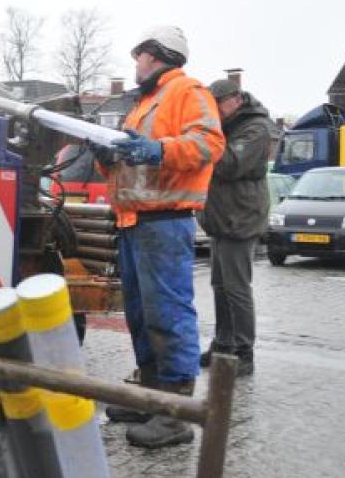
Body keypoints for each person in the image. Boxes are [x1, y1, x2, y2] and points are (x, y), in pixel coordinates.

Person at [96, 25, 225, 448]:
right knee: (140, 314)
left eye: (139, 56)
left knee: (168, 313)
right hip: (135, 220)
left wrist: (160, 149)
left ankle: (174, 414)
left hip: (165, 221)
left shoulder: (188, 91)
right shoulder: (144, 104)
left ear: (157, 54)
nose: (135, 64)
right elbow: (131, 165)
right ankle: (151, 397)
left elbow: (208, 142)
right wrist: (106, 158)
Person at [198, 79, 274, 377]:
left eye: (216, 105)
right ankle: (223, 345)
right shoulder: (228, 126)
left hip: (240, 218)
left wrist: (205, 139)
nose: (212, 112)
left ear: (235, 100)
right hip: (222, 218)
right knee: (220, 286)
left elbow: (229, 163)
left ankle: (244, 352)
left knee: (237, 288)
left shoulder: (256, 129)